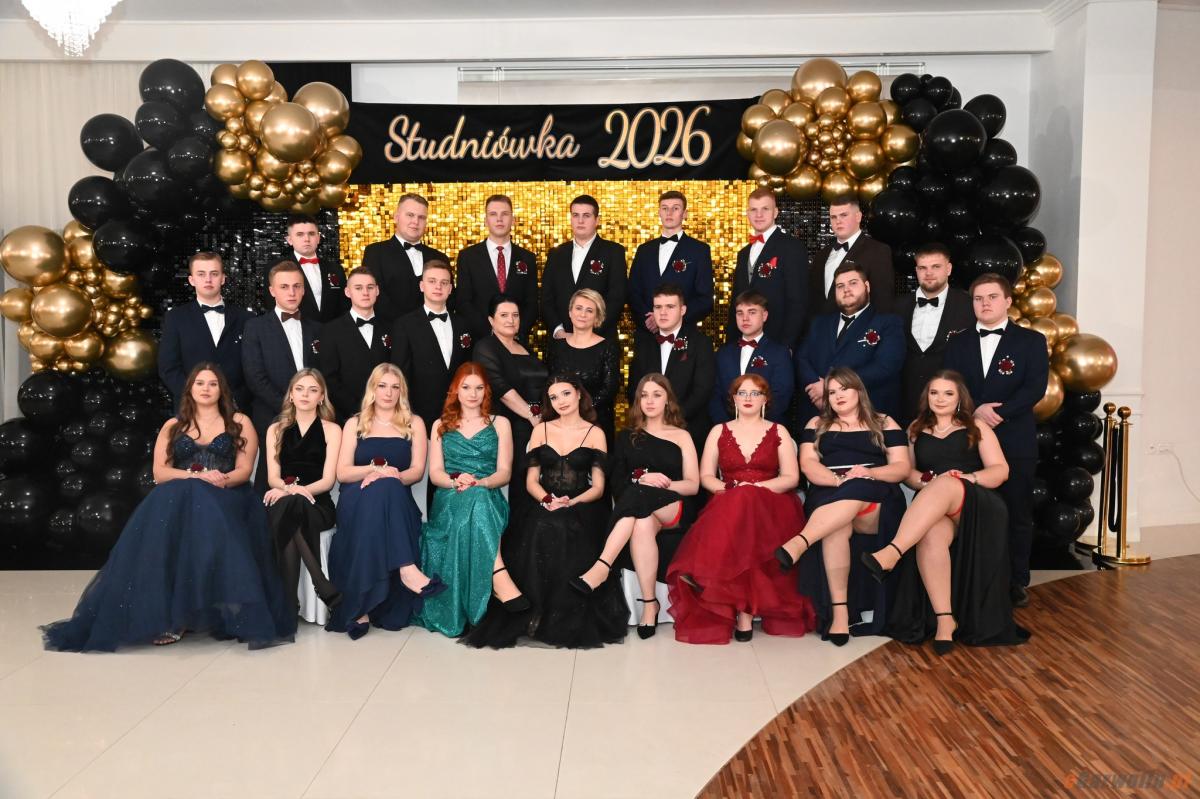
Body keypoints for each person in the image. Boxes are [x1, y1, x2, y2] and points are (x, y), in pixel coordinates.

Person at [42, 363, 294, 651]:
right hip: (181, 496)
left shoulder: (239, 421)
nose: (206, 389)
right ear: (190, 389)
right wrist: (196, 477)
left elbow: (244, 470)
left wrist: (218, 481)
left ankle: (198, 612)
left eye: (213, 384)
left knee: (201, 508)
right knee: (179, 507)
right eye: (200, 383)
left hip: (227, 495)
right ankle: (173, 616)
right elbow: (160, 473)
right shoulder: (173, 425)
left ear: (222, 390)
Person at [868, 371, 1029, 654]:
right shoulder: (916, 428)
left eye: (948, 393)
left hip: (978, 503)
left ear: (960, 399)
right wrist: (926, 482)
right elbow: (909, 473)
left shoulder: (976, 425)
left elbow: (1001, 470)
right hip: (936, 506)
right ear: (926, 397)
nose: (940, 399)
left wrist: (967, 478)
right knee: (931, 535)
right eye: (934, 393)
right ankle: (945, 620)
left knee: (947, 482)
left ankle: (892, 552)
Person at [465, 375, 626, 649]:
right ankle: (533, 614)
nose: (560, 401)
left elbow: (598, 488)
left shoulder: (595, 432)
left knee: (565, 526)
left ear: (578, 394)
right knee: (541, 526)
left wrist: (571, 502)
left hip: (582, 503)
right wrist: (548, 499)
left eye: (565, 394)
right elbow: (531, 481)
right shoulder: (541, 430)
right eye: (553, 397)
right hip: (543, 500)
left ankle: (560, 616)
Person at [666, 374, 816, 645]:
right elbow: (706, 477)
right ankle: (742, 610)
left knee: (746, 503)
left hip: (772, 503)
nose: (748, 398)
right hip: (729, 499)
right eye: (742, 393)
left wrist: (753, 489)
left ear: (765, 400)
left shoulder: (779, 431)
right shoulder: (718, 431)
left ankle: (731, 601)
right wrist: (733, 489)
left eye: (755, 393)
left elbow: (791, 478)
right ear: (733, 399)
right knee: (740, 506)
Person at [775, 367, 911, 645]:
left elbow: (901, 467)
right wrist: (839, 481)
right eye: (831, 392)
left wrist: (868, 473)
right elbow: (808, 464)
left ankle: (801, 542)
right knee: (837, 525)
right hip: (830, 488)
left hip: (876, 491)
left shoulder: (884, 421)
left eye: (844, 389)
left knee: (856, 488)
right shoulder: (817, 423)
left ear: (859, 390)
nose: (838, 396)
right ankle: (840, 614)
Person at [942, 272, 1049, 608]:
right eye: (978, 298)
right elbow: (950, 386)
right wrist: (976, 410)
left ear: (1007, 301)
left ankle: (1016, 581)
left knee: (1017, 513)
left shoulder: (1031, 341)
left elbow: (1035, 387)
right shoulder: (957, 343)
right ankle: (971, 581)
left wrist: (998, 413)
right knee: (971, 513)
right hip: (969, 441)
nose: (985, 304)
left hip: (1015, 439)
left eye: (992, 297)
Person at [325, 363, 445, 639]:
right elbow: (343, 472)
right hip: (356, 498)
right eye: (382, 386)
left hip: (397, 503)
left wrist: (392, 476)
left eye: (395, 387)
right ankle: (407, 569)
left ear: (402, 391)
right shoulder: (355, 423)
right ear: (372, 389)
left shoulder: (414, 423)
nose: (388, 393)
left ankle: (361, 607)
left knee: (389, 485)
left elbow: (416, 472)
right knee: (385, 484)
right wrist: (376, 470)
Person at [415, 363, 514, 637]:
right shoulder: (440, 425)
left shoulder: (500, 424)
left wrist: (481, 482)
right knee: (472, 499)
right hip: (450, 495)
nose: (473, 394)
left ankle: (481, 596)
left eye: (479, 388)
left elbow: (504, 472)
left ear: (486, 391)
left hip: (488, 494)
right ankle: (498, 578)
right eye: (466, 387)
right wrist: (455, 481)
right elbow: (435, 473)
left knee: (478, 496)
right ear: (455, 391)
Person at [603, 374, 700, 638]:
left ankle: (604, 563)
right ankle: (649, 604)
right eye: (644, 395)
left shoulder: (681, 435)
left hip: (674, 506)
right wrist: (641, 479)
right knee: (642, 520)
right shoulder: (626, 437)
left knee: (641, 494)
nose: (649, 401)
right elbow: (618, 483)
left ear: (668, 399)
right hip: (642, 509)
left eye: (657, 395)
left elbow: (693, 485)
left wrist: (659, 483)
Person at [263, 369, 343, 616]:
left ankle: (288, 604)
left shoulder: (332, 430)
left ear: (321, 397)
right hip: (286, 500)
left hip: (318, 505)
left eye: (312, 390)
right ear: (291, 395)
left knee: (293, 507)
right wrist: (290, 491)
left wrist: (296, 491)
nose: (305, 395)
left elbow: (328, 481)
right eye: (299, 389)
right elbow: (272, 478)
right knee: (292, 509)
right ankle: (322, 585)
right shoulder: (275, 429)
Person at [795, 260, 903, 426]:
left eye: (853, 283)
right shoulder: (819, 323)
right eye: (840, 286)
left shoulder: (888, 323)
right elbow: (801, 358)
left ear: (867, 286)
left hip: (866, 417)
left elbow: (885, 366)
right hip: (817, 413)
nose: (846, 289)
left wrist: (830, 386)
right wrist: (815, 386)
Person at [242, 261, 320, 491]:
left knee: (309, 477)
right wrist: (289, 407)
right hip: (272, 415)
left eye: (297, 286)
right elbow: (255, 377)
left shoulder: (318, 328)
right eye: (284, 287)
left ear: (304, 290)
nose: (292, 292)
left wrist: (309, 408)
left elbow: (323, 374)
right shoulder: (255, 327)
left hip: (312, 416)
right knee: (270, 480)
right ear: (272, 290)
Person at [472, 294, 548, 520]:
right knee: (521, 482)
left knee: (538, 480)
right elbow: (500, 388)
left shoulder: (524, 346)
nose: (510, 320)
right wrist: (532, 416)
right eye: (504, 315)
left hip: (538, 422)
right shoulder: (485, 347)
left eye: (515, 315)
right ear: (491, 320)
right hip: (512, 425)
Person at [158, 251, 253, 412]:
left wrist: (237, 398)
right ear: (191, 280)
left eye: (214, 274)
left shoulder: (246, 318)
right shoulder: (175, 318)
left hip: (236, 408)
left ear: (223, 278)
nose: (208, 279)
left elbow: (254, 367)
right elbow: (168, 367)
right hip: (190, 409)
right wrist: (194, 397)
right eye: (201, 274)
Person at [628, 283, 715, 458]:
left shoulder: (701, 343)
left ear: (683, 310)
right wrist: (652, 422)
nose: (663, 312)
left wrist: (671, 419)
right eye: (658, 307)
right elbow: (634, 389)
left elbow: (702, 390)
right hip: (649, 432)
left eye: (670, 306)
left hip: (689, 430)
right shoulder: (643, 344)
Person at [389, 260, 473, 434]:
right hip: (419, 415)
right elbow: (400, 373)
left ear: (450, 289)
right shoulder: (404, 325)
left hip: (460, 413)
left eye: (444, 282)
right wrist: (407, 413)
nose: (438, 287)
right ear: (422, 286)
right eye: (432, 281)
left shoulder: (463, 324)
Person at [896, 243, 975, 425]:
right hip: (903, 403)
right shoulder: (897, 306)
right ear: (916, 271)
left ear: (949, 269)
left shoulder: (968, 306)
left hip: (951, 408)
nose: (929, 273)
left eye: (936, 267)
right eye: (923, 268)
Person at [726, 187, 808, 349]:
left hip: (777, 342)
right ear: (747, 213)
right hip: (745, 344)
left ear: (775, 212)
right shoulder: (743, 253)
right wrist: (731, 346)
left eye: (765, 209)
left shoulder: (792, 247)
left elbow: (798, 303)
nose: (759, 215)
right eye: (754, 210)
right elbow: (737, 300)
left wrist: (785, 347)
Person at [541, 194, 627, 340]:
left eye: (586, 215)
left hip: (600, 340)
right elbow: (546, 299)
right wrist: (558, 331)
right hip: (562, 340)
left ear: (597, 220)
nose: (580, 221)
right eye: (575, 215)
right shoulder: (556, 254)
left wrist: (589, 334)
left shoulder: (613, 251)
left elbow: (617, 298)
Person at [455, 194, 539, 341]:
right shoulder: (468, 257)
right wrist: (491, 333)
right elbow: (463, 302)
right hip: (481, 341)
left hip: (517, 341)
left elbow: (532, 303)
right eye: (493, 214)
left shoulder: (528, 258)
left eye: (504, 214)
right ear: (485, 221)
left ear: (513, 220)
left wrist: (516, 332)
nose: (499, 219)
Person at [628, 190, 714, 332]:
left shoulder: (699, 250)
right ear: (659, 213)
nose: (669, 213)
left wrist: (672, 319)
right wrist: (649, 320)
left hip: (683, 333)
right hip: (647, 333)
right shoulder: (644, 250)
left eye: (675, 208)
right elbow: (633, 293)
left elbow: (705, 299)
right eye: (665, 208)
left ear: (685, 214)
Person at [319, 267, 392, 423]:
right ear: (347, 292)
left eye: (370, 287)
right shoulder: (331, 330)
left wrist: (384, 409)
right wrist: (360, 410)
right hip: (347, 417)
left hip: (388, 415)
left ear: (377, 291)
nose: (365, 292)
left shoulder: (392, 328)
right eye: (358, 288)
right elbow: (329, 379)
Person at [362, 193, 451, 320]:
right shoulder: (375, 252)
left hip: (434, 328)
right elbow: (374, 296)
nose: (415, 221)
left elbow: (449, 298)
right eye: (410, 215)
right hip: (390, 328)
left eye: (421, 217)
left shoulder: (440, 257)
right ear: (396, 217)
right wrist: (407, 326)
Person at [546, 288, 620, 441]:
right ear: (570, 312)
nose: (582, 314)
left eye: (589, 310)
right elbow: (549, 384)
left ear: (597, 317)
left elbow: (609, 389)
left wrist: (578, 410)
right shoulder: (556, 347)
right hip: (560, 422)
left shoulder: (608, 347)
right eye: (578, 308)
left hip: (596, 422)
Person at [710, 290, 793, 425]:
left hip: (766, 428)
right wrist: (728, 427)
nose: (745, 318)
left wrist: (755, 427)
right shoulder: (723, 353)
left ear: (764, 315)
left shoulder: (779, 353)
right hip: (727, 427)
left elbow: (781, 397)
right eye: (740, 313)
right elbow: (715, 395)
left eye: (752, 312)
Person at [809, 196, 894, 317]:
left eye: (844, 215)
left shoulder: (877, 251)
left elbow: (883, 302)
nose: (838, 221)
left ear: (858, 217)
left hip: (861, 327)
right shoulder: (821, 255)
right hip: (822, 327)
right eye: (833, 217)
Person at [284, 214, 350, 325]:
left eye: (311, 234)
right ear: (289, 240)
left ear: (318, 238)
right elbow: (273, 307)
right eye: (300, 234)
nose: (306, 239)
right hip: (295, 330)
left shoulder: (335, 269)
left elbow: (344, 306)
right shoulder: (276, 269)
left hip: (332, 331)